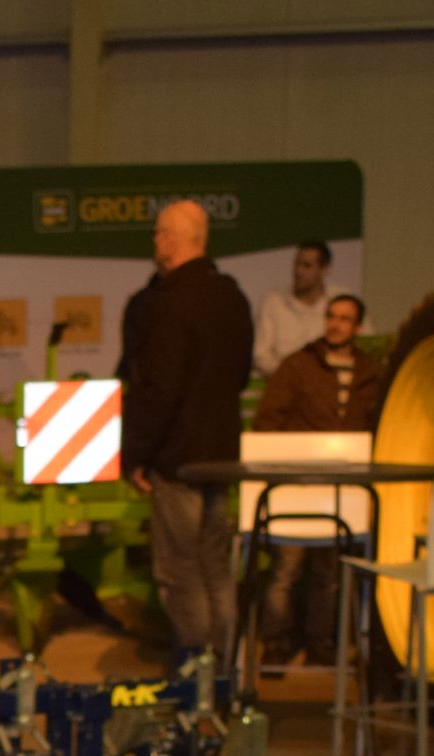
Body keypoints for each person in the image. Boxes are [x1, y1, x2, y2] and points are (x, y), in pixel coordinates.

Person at [120, 198, 255, 661]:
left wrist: (135, 455)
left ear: (171, 241)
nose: (155, 241)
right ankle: (225, 669)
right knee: (216, 566)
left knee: (180, 571)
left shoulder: (167, 304)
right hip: (222, 454)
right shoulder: (233, 297)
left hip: (178, 459)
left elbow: (159, 389)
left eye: (158, 233)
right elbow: (240, 374)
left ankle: (197, 672)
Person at [250, 291, 383, 662]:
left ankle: (320, 641)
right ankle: (277, 641)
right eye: (331, 316)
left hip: (344, 486)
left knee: (329, 572)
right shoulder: (299, 365)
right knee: (286, 568)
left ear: (358, 327)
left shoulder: (370, 372)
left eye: (344, 319)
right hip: (296, 482)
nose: (335, 324)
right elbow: (268, 420)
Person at [253, 239, 334, 379]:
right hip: (280, 384)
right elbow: (260, 355)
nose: (298, 271)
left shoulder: (338, 304)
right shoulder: (273, 302)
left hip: (325, 385)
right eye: (297, 264)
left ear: (324, 269)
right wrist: (292, 376)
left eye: (307, 265)